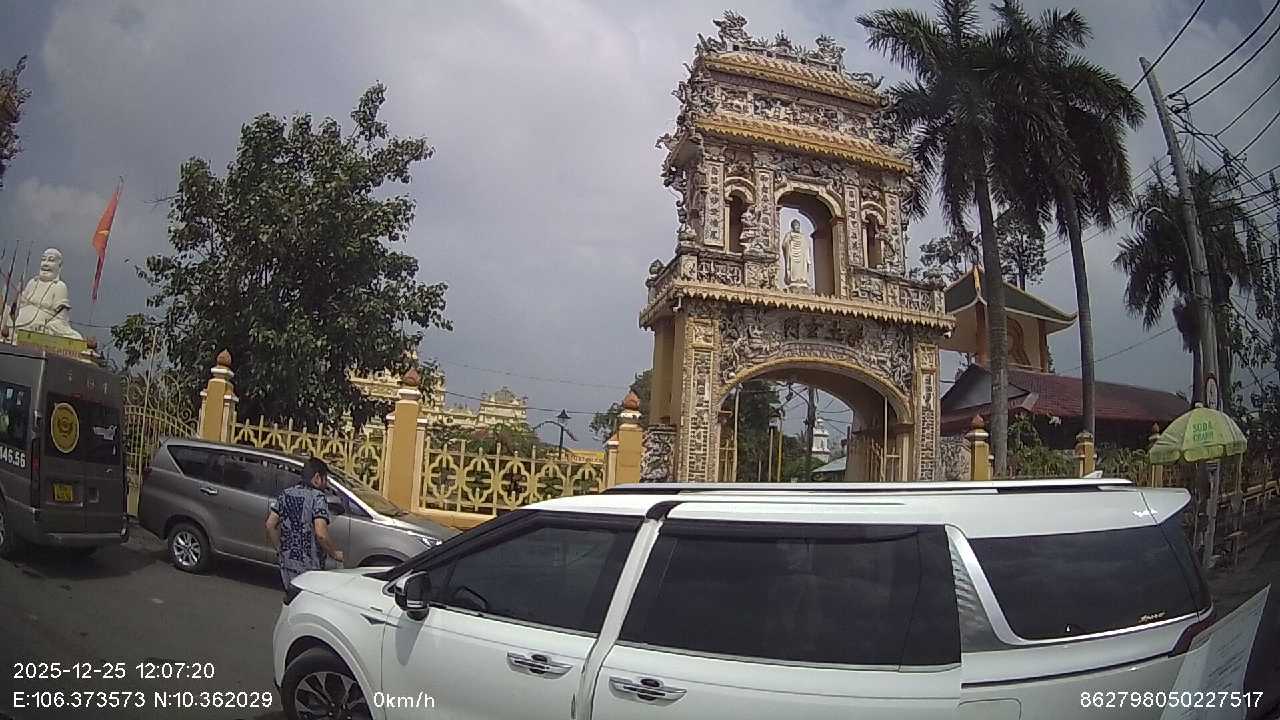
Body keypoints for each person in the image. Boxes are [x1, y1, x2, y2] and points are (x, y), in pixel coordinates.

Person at [265, 456, 344, 591]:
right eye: (325, 479)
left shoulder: (286, 494)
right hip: (310, 568)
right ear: (317, 478)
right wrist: (334, 554)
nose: (326, 484)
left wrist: (280, 550)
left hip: (288, 565)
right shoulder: (318, 498)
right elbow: (321, 534)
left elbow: (270, 524)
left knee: (291, 599)